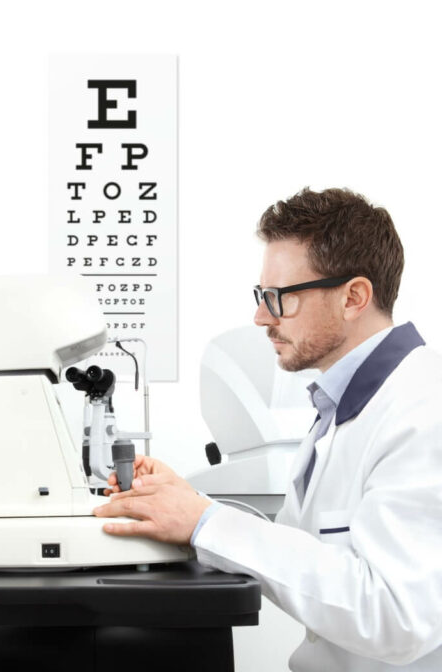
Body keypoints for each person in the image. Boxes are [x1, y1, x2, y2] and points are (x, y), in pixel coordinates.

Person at [93, 187, 442, 671]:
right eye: (261, 296)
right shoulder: (340, 408)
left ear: (354, 297)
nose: (261, 317)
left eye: (278, 298)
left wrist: (204, 523)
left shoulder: (424, 412)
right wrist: (193, 508)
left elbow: (397, 617)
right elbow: (309, 557)